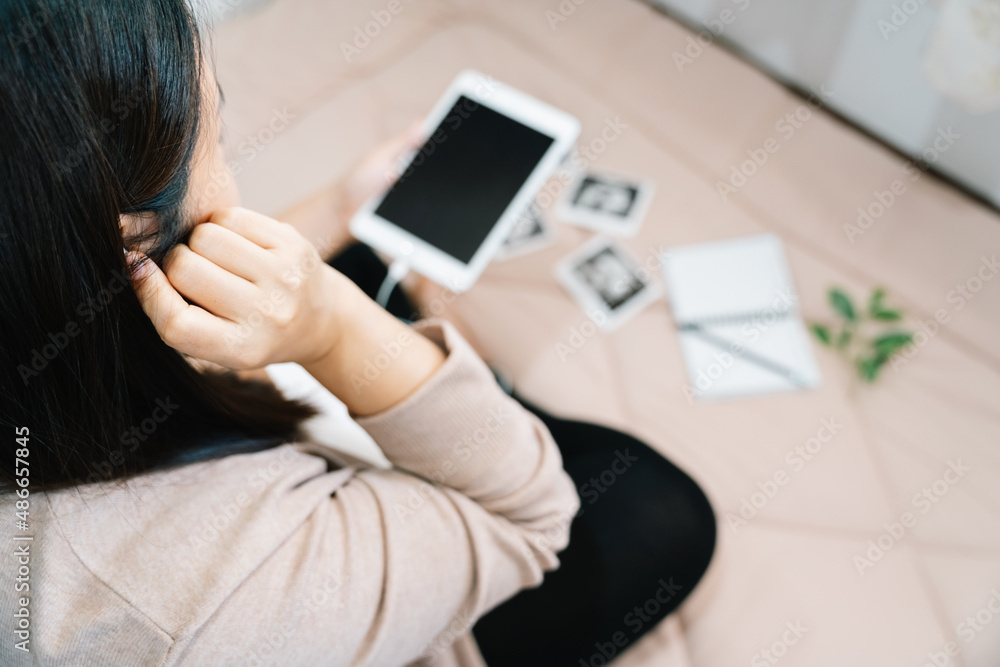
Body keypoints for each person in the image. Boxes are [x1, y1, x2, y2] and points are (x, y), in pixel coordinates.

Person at [0, 1, 715, 665]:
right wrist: (333, 330)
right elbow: (532, 515)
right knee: (657, 504)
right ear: (130, 241)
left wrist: (342, 207)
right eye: (217, 134)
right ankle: (475, 388)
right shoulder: (220, 603)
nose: (226, 159)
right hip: (379, 605)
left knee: (355, 261)